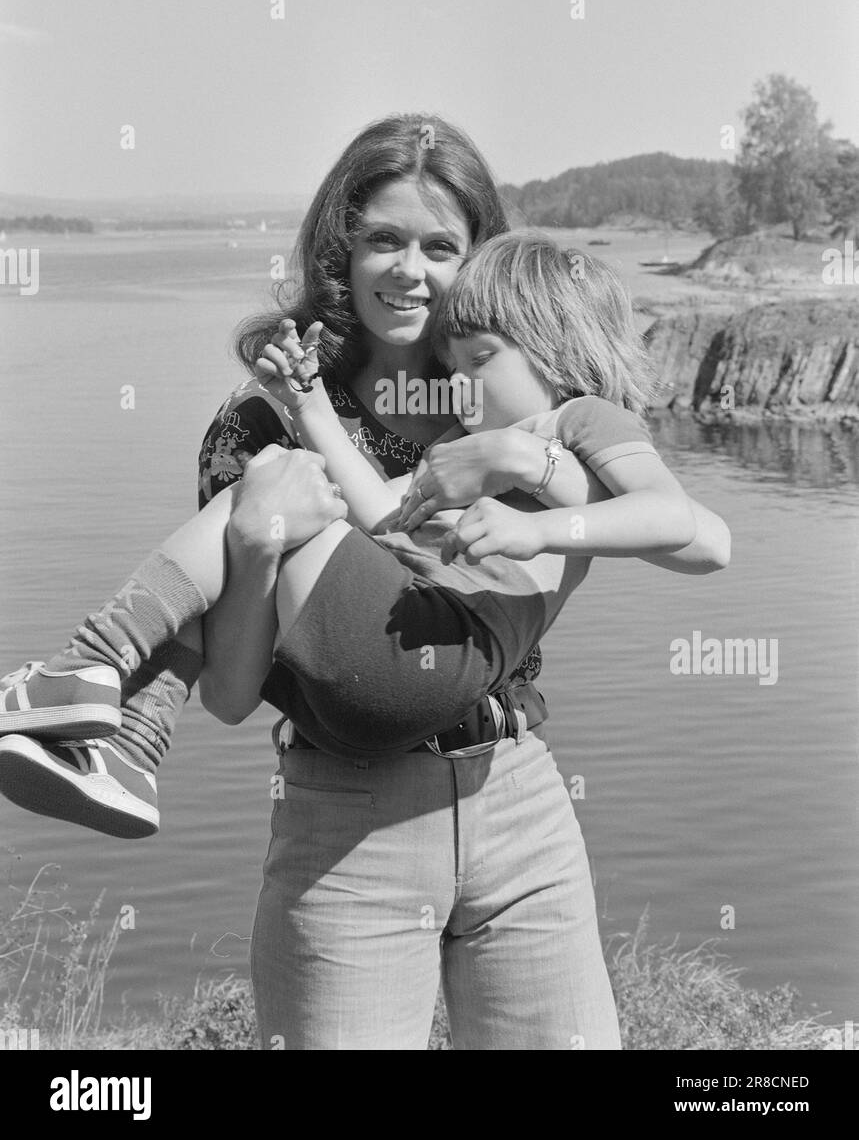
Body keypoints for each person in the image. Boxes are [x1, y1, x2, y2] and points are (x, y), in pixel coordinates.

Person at [0, 114, 730, 1048]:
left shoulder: (514, 390)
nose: (408, 269)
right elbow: (236, 691)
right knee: (277, 484)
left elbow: (690, 534)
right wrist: (262, 538)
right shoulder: (260, 422)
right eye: (382, 239)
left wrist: (528, 470)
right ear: (339, 250)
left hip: (518, 795)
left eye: (439, 245)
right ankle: (123, 705)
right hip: (349, 817)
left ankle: (104, 684)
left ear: (479, 260)